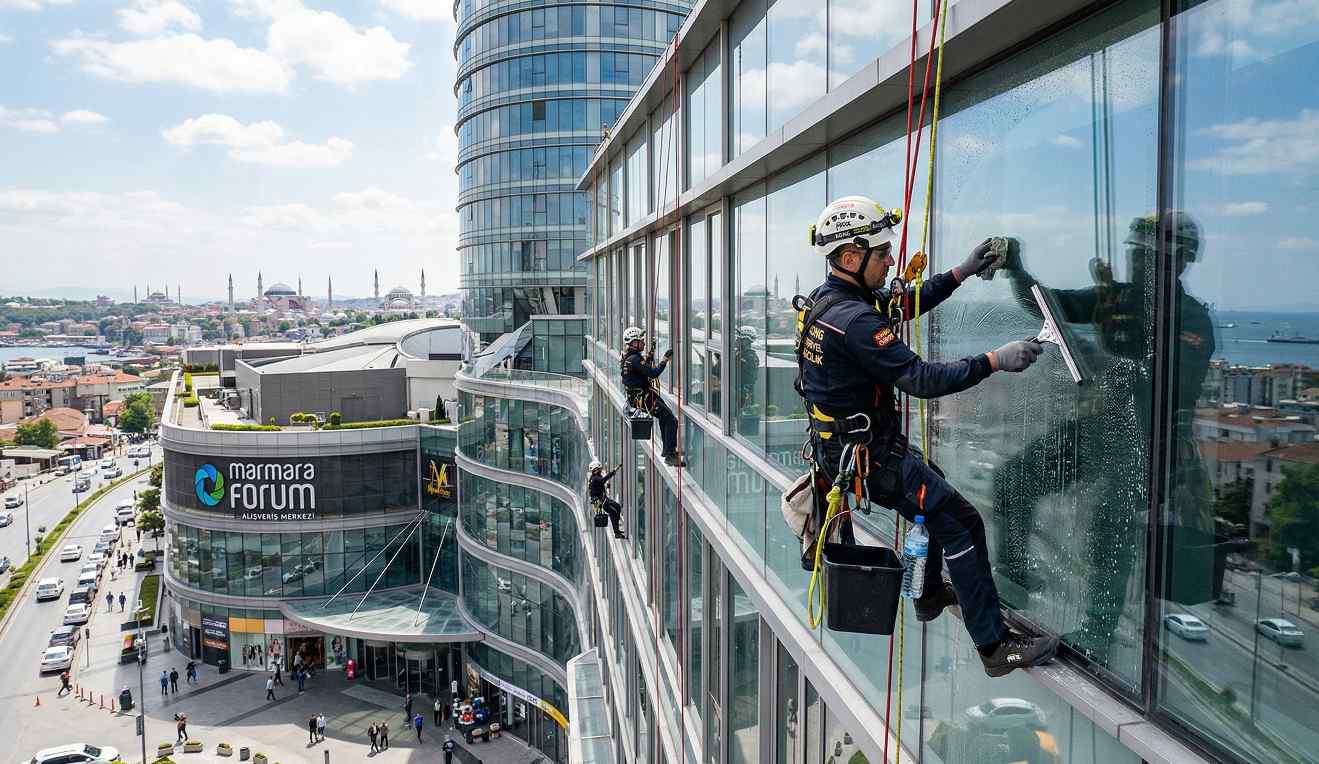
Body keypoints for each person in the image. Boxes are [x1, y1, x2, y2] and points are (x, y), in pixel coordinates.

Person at [794, 196, 1057, 677]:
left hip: (850, 451)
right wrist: (995, 360)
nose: (891, 260)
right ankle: (994, 647)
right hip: (871, 458)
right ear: (851, 258)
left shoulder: (830, 302)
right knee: (960, 521)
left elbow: (900, 303)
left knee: (932, 485)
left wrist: (959, 273)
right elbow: (922, 380)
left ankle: (930, 592)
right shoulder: (855, 321)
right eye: (881, 253)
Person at [620, 326, 684, 466]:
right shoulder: (635, 359)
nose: (643, 343)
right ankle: (669, 454)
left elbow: (643, 370)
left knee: (665, 417)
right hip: (644, 398)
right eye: (640, 341)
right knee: (671, 420)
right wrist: (665, 360)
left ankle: (669, 450)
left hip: (642, 396)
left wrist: (649, 355)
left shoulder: (630, 358)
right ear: (633, 343)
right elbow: (653, 373)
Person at [588, 461, 626, 538]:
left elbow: (598, 487)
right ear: (596, 469)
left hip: (604, 499)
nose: (601, 470)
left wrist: (606, 487)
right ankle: (616, 532)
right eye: (599, 469)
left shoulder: (595, 477)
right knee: (613, 513)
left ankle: (617, 528)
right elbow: (603, 480)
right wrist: (615, 470)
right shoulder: (595, 478)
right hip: (601, 501)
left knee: (617, 507)